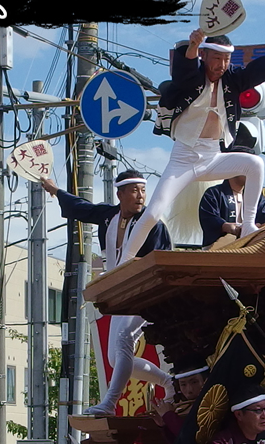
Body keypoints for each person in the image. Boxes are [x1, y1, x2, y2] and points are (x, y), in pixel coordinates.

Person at [126, 29, 265, 266]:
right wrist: (193, 45)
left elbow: (260, 69)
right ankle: (122, 260)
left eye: (225, 60)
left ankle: (249, 224)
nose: (221, 65)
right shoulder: (192, 78)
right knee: (152, 213)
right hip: (185, 158)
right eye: (216, 59)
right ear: (204, 56)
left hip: (213, 156)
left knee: (254, 164)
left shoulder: (232, 80)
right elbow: (184, 69)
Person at [41, 170, 174, 416]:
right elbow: (81, 207)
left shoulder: (152, 223)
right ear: (120, 193)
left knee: (124, 339)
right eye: (134, 190)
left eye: (143, 190)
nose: (140, 196)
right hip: (120, 293)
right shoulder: (108, 216)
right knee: (116, 359)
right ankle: (168, 382)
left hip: (145, 293)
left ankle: (110, 403)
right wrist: (54, 189)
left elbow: (157, 262)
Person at [138, 356, 210, 444]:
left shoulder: (210, 405)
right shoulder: (185, 406)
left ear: (205, 381)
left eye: (194, 382)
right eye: (183, 385)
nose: (188, 390)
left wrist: (168, 416)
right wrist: (164, 425)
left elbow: (192, 440)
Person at [197, 148, 265, 247]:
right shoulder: (213, 194)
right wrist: (225, 226)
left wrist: (258, 227)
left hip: (250, 249)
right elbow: (209, 220)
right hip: (218, 251)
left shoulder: (258, 197)